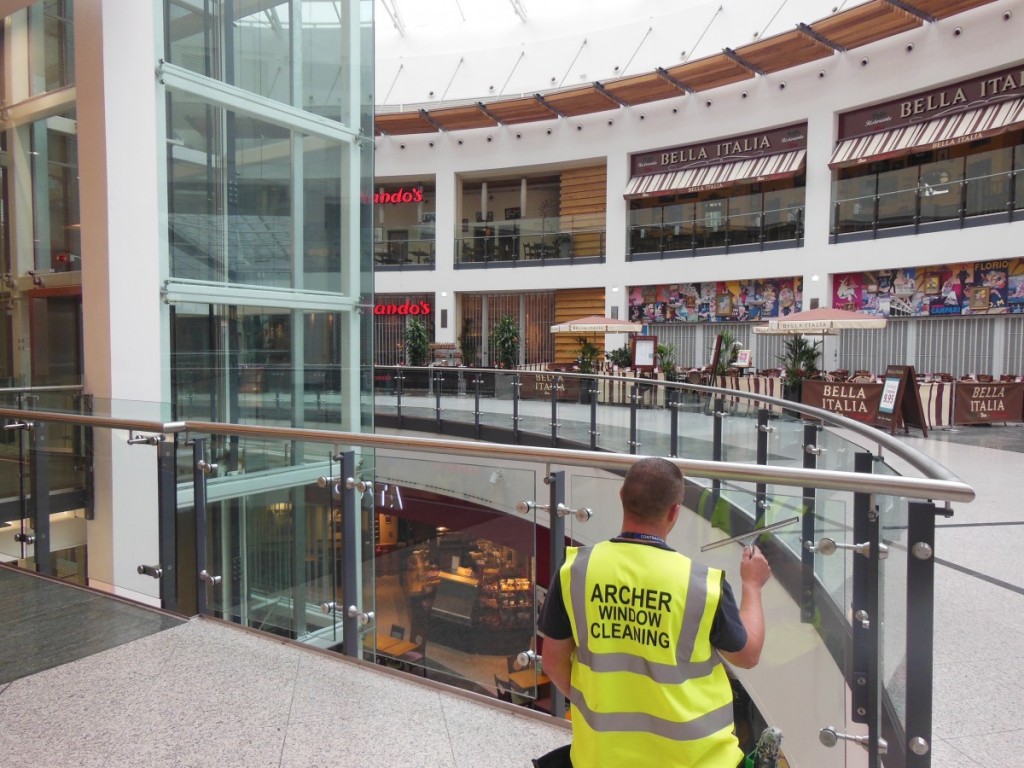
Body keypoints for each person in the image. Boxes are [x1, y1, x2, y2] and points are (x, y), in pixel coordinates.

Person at [539, 457, 772, 767]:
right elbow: (748, 655)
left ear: (621, 496)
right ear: (675, 511)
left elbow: (553, 662)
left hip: (603, 757)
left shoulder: (577, 570)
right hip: (694, 759)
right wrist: (752, 586)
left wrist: (598, 705)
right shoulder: (701, 585)